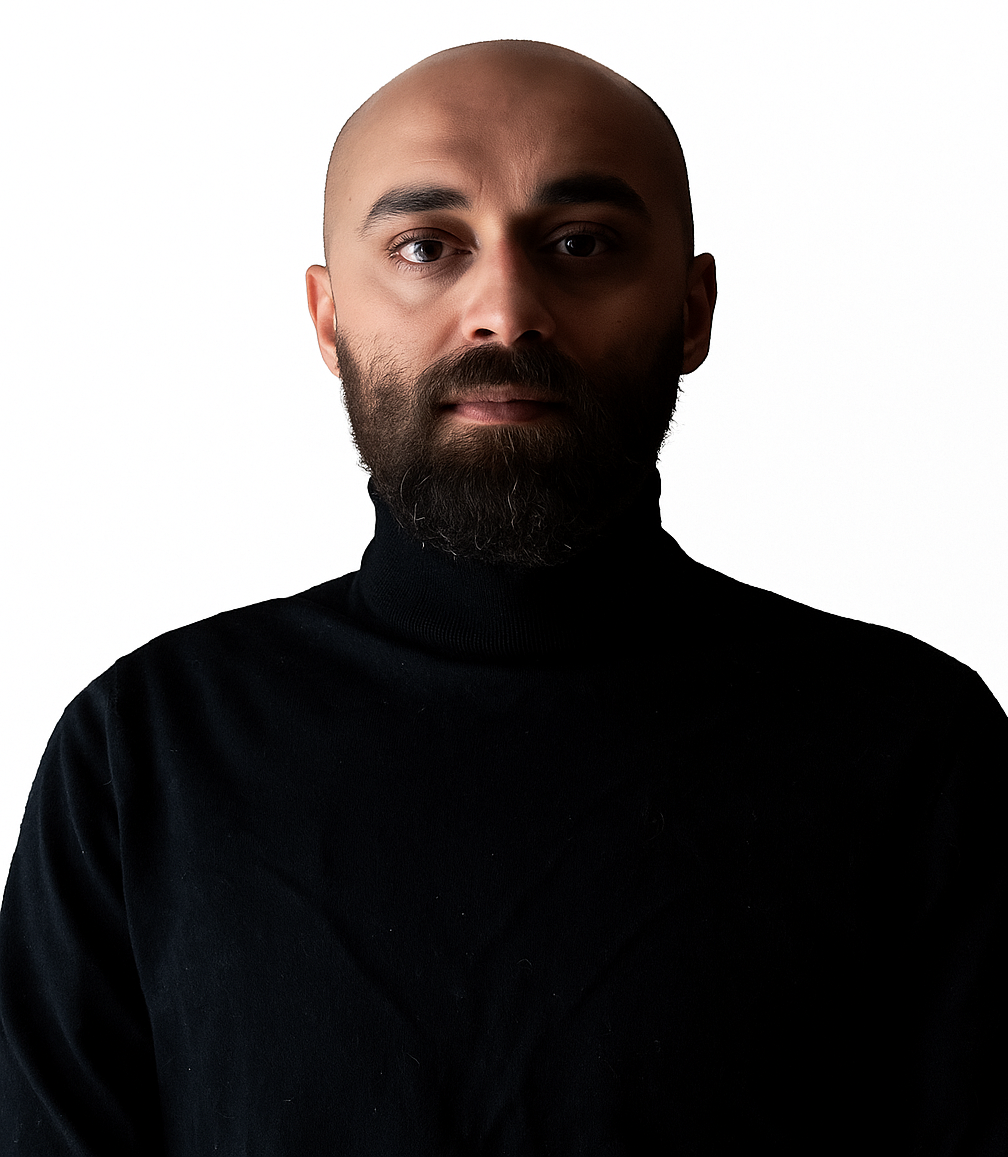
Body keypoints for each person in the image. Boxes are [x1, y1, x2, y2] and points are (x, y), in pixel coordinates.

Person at [0, 38, 1005, 1155]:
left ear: (692, 309)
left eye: (581, 243)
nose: (508, 311)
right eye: (426, 247)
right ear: (328, 320)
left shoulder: (913, 744)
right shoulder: (143, 751)